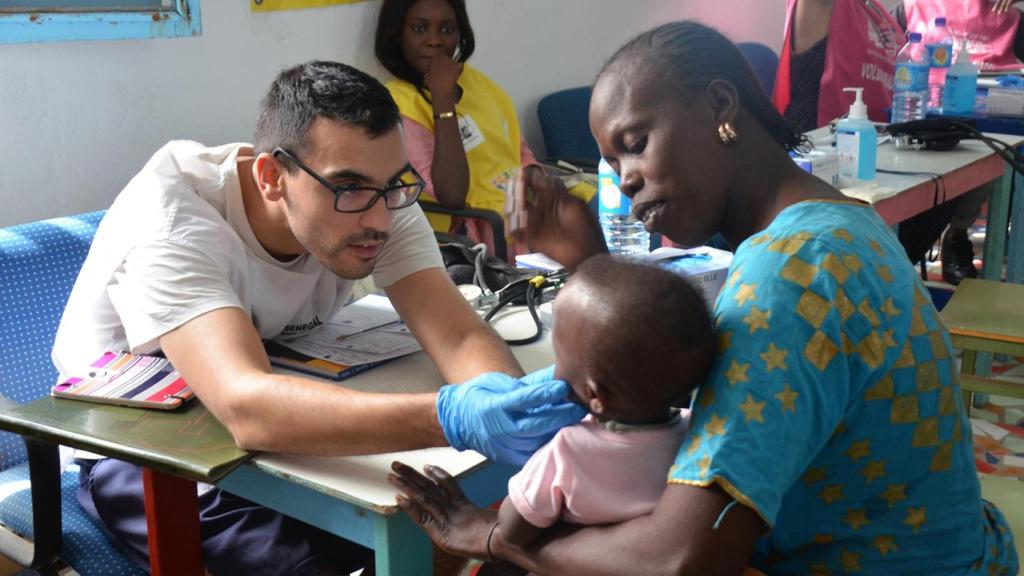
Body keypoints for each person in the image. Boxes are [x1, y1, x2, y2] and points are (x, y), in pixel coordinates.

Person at [388, 21, 1018, 575]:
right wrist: (595, 264)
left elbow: (680, 559)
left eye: (635, 144)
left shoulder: (788, 272)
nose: (625, 179)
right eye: (611, 164)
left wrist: (496, 539)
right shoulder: (833, 220)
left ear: (721, 106)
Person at [53, 61, 583, 575]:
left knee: (460, 521)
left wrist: (503, 402)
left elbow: (458, 331)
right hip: (143, 447)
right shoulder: (174, 219)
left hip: (281, 406)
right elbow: (247, 405)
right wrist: (453, 417)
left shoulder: (380, 199)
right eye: (348, 189)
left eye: (392, 184)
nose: (379, 219)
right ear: (270, 178)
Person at [488, 256, 713, 575]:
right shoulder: (696, 436)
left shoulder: (567, 450)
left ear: (594, 395)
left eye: (559, 355)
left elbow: (511, 531)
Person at [373, 0, 541, 249]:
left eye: (447, 29)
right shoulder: (399, 103)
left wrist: (537, 182)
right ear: (397, 34)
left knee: (587, 204)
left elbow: (517, 149)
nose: (435, 41)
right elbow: (451, 196)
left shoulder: (478, 83)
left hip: (516, 207)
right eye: (419, 29)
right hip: (471, 232)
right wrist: (442, 99)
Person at [891, 0, 1024, 283]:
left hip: (984, 133)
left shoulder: (1011, 19)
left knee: (993, 150)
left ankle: (958, 234)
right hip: (913, 125)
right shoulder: (910, 10)